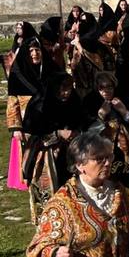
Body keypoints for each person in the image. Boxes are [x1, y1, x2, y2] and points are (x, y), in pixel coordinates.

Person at [83, 72, 129, 207]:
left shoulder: (123, 99)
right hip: (103, 150)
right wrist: (100, 116)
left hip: (127, 151)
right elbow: (86, 131)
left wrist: (124, 112)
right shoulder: (90, 102)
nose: (106, 91)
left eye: (109, 87)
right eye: (102, 87)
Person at [21, 74, 86, 222]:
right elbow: (32, 135)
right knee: (51, 193)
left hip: (70, 154)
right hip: (46, 156)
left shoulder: (74, 101)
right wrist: (57, 134)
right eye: (63, 89)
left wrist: (76, 132)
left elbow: (81, 121)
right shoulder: (40, 106)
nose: (66, 93)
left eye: (69, 89)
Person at [6, 37, 45, 190]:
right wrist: (16, 127)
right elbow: (12, 102)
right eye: (31, 51)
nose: (35, 54)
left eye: (37, 50)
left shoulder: (47, 71)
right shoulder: (18, 74)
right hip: (26, 122)